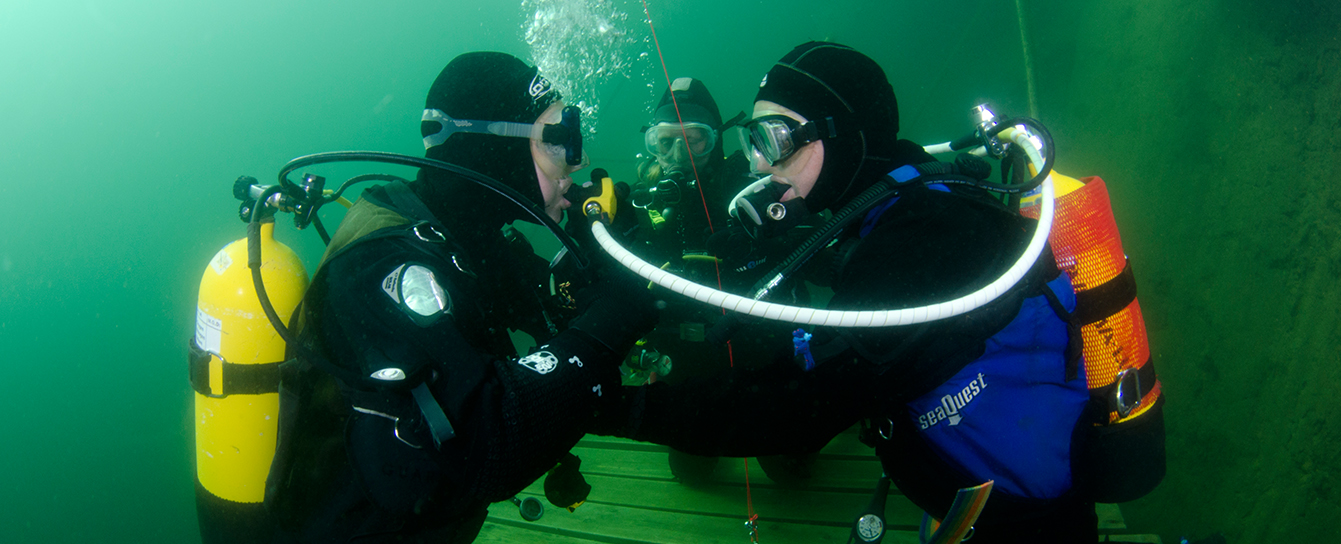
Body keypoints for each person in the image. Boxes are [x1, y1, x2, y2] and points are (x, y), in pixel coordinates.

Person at [599, 42, 1164, 542]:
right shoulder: (910, 195)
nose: (757, 162)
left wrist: (614, 408)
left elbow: (796, 412)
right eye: (753, 139)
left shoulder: (914, 247)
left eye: (773, 138)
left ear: (842, 134)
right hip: (974, 487)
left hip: (1023, 517)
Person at [263, 51, 658, 543]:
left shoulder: (475, 239)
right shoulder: (382, 260)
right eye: (559, 143)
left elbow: (559, 331)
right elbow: (489, 443)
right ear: (490, 146)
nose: (577, 165)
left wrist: (609, 261)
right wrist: (619, 313)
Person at [622, 77, 816, 486]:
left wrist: (773, 235)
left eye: (695, 140)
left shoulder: (754, 189)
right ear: (651, 144)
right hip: (687, 362)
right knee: (690, 473)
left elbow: (810, 244)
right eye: (665, 141)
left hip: (762, 352)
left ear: (718, 139)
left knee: (793, 473)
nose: (679, 155)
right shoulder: (644, 202)